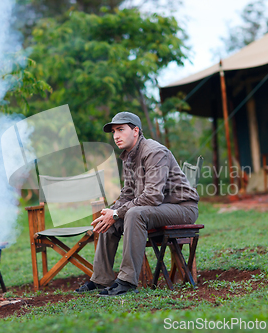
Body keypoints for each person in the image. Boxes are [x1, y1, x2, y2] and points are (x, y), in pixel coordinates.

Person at [75, 111, 199, 296]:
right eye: (113, 132)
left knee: (133, 213)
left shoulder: (154, 151)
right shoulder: (128, 156)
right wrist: (113, 212)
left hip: (182, 208)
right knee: (109, 218)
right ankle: (101, 279)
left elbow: (153, 196)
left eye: (120, 130)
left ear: (135, 131)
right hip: (156, 209)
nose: (116, 136)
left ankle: (126, 281)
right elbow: (128, 193)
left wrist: (118, 213)